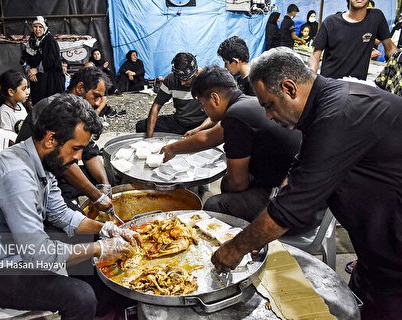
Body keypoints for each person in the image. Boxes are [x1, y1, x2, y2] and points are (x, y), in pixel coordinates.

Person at [213, 47, 402, 319]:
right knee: (361, 306)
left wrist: (235, 248)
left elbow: (292, 209)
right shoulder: (327, 103)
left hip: (395, 252)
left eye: (268, 105)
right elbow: (299, 170)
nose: (267, 115)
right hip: (374, 249)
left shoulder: (339, 113)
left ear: (289, 88)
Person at [0, 94, 140, 319]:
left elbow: (62, 214)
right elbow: (38, 253)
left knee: (91, 244)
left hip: (10, 249)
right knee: (81, 297)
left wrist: (104, 229)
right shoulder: (17, 176)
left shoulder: (40, 159)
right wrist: (101, 248)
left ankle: (104, 309)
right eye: (76, 148)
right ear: (51, 139)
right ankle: (91, 307)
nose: (79, 158)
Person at [161, 65, 307, 234]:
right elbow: (208, 137)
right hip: (301, 194)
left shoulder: (237, 116)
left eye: (202, 104)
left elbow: (239, 184)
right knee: (227, 183)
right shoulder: (247, 103)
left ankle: (233, 245)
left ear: (215, 98)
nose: (203, 110)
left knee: (214, 204)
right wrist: (172, 148)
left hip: (289, 206)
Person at [16, 66, 116, 214]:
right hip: (38, 177)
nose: (97, 103)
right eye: (95, 96)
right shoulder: (53, 107)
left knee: (109, 177)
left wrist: (105, 186)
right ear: (80, 88)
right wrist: (96, 196)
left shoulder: (82, 113)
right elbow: (63, 162)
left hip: (58, 170)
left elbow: (89, 152)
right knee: (81, 227)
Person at [310, 0, 397, 80]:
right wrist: (312, 80)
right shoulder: (330, 22)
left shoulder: (376, 18)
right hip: (329, 85)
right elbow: (315, 56)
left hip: (356, 88)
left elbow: (390, 49)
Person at [135, 52, 207, 137]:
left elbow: (215, 115)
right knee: (141, 126)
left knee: (220, 127)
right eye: (179, 78)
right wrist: (149, 139)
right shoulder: (171, 79)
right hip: (179, 123)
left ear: (195, 73)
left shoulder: (207, 78)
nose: (182, 83)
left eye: (186, 79)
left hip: (200, 124)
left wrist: (198, 129)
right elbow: (156, 107)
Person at [20, 16, 64, 104]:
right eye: (35, 27)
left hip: (49, 80)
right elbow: (25, 57)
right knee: (38, 104)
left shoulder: (50, 40)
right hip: (36, 80)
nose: (38, 29)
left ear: (45, 28)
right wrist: (29, 71)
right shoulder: (31, 41)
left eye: (40, 27)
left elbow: (52, 60)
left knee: (49, 104)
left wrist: (36, 70)